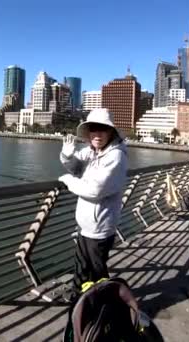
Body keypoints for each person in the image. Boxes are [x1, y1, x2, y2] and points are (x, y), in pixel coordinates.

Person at [58, 108, 128, 302]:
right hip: (86, 225)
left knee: (97, 270)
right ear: (88, 133)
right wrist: (67, 156)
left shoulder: (116, 157)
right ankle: (77, 295)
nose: (97, 134)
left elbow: (95, 191)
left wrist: (68, 181)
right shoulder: (92, 151)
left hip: (101, 227)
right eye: (93, 129)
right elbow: (75, 167)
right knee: (81, 264)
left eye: (102, 129)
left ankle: (107, 304)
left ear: (111, 132)